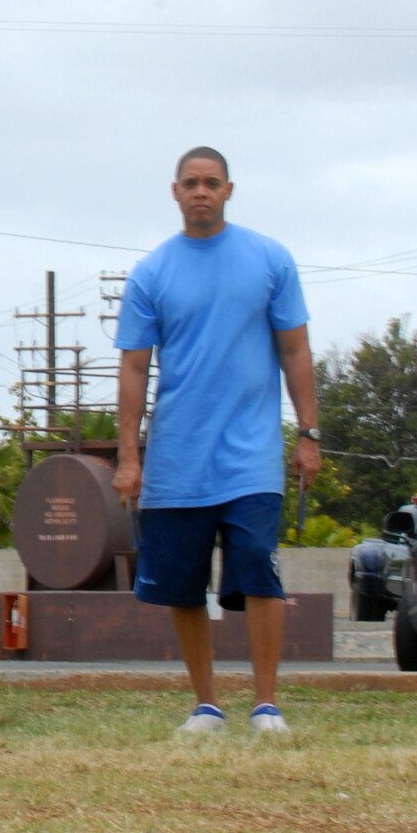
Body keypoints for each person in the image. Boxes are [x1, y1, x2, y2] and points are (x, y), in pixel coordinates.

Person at [112, 147, 322, 737]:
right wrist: (130, 457)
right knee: (183, 586)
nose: (200, 192)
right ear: (174, 192)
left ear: (229, 190)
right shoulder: (152, 273)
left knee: (259, 571)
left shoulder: (269, 259)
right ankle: (206, 705)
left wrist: (308, 433)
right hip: (179, 457)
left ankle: (266, 705)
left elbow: (295, 349)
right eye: (190, 184)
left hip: (251, 454)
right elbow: (133, 369)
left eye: (211, 183)